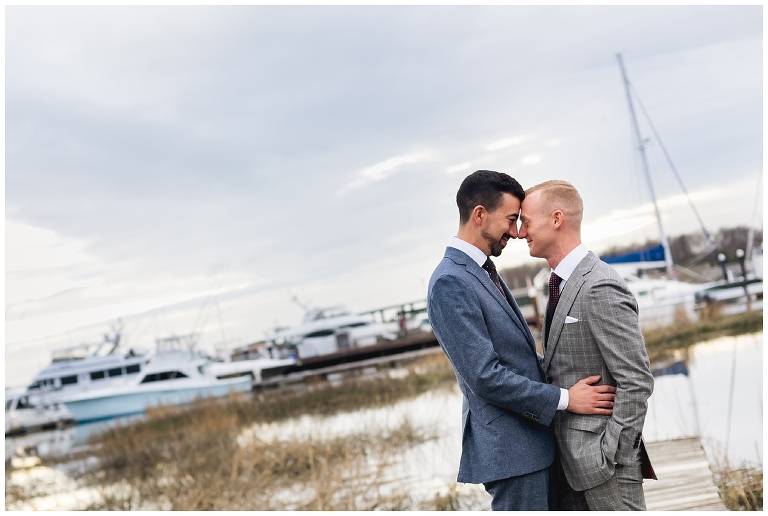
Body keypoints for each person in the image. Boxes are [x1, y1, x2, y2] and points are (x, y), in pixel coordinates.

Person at [427, 170, 617, 511]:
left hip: (536, 444)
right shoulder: (450, 282)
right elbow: (485, 376)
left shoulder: (482, 271)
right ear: (480, 214)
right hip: (512, 455)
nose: (516, 233)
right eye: (511, 220)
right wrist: (565, 399)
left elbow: (520, 358)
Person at [518, 180, 655, 510]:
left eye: (527, 221)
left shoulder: (599, 284)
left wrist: (612, 456)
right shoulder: (558, 285)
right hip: (566, 467)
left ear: (556, 219)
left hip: (604, 470)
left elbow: (636, 381)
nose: (521, 233)